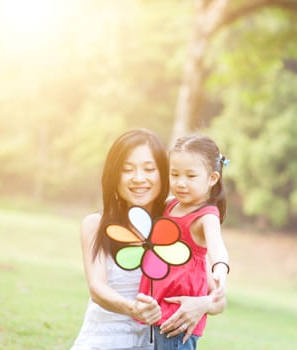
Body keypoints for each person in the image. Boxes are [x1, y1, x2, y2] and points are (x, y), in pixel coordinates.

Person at [71, 129, 225, 350]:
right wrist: (132, 308)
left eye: (149, 169)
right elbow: (97, 288)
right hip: (104, 341)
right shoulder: (95, 224)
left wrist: (201, 305)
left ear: (163, 173)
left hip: (154, 343)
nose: (139, 179)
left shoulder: (174, 223)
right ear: (114, 175)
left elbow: (218, 296)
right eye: (127, 170)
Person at [139, 134, 230, 350]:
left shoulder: (206, 215)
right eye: (175, 174)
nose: (181, 183)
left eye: (191, 176)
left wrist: (220, 269)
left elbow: (217, 246)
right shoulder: (170, 205)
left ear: (212, 178)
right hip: (158, 308)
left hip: (179, 315)